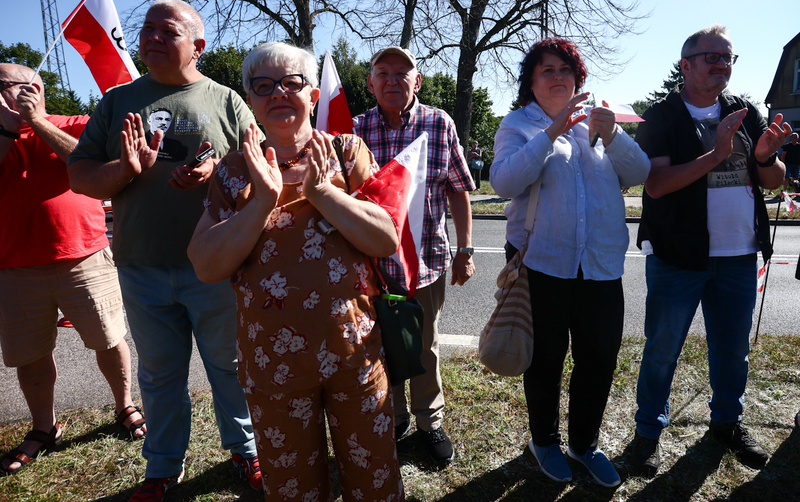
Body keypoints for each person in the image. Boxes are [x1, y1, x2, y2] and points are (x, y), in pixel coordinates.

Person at [187, 41, 404, 502]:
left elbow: (385, 237)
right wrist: (260, 202)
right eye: (263, 86)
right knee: (293, 491)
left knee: (375, 481)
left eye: (292, 82)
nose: (279, 93)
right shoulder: (233, 171)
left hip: (354, 354)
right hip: (273, 366)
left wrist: (325, 194)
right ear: (250, 99)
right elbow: (205, 263)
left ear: (312, 96)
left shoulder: (347, 152)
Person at [66, 0, 260, 501]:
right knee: (160, 375)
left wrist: (216, 172)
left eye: (166, 30)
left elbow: (260, 173)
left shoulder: (227, 102)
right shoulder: (116, 102)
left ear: (198, 46)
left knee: (229, 369)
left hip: (216, 266)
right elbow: (81, 176)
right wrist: (125, 169)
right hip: (141, 266)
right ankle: (162, 468)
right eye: (146, 28)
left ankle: (247, 452)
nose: (151, 36)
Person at [631, 24, 791, 475]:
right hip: (677, 255)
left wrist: (764, 156)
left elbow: (774, 180)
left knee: (732, 349)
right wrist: (715, 155)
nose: (723, 65)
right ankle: (647, 433)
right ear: (686, 64)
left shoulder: (745, 111)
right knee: (662, 348)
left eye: (729, 58)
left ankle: (726, 422)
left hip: (739, 254)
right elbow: (657, 185)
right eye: (712, 57)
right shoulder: (661, 116)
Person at [490, 38, 650, 487]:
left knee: (599, 358)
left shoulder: (599, 121)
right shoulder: (518, 125)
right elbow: (503, 182)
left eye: (565, 69)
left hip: (600, 266)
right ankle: (544, 440)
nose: (557, 75)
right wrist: (550, 134)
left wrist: (615, 135)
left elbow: (639, 174)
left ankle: (584, 444)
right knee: (545, 360)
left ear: (578, 77)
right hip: (542, 263)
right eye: (546, 69)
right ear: (532, 81)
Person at [0, 64, 146, 474]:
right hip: (13, 267)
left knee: (109, 338)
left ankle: (124, 405)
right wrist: (11, 128)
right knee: (29, 355)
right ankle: (43, 427)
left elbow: (91, 165)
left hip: (83, 256)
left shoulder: (79, 124)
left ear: (33, 88)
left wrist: (38, 122)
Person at [353, 46, 476, 467]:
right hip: (370, 266)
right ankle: (394, 417)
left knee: (425, 345)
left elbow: (458, 188)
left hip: (426, 262)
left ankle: (429, 421)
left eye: (402, 73)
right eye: (382, 73)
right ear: (370, 83)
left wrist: (466, 250)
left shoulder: (438, 124)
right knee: (381, 346)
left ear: (417, 81)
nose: (392, 80)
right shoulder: (353, 131)